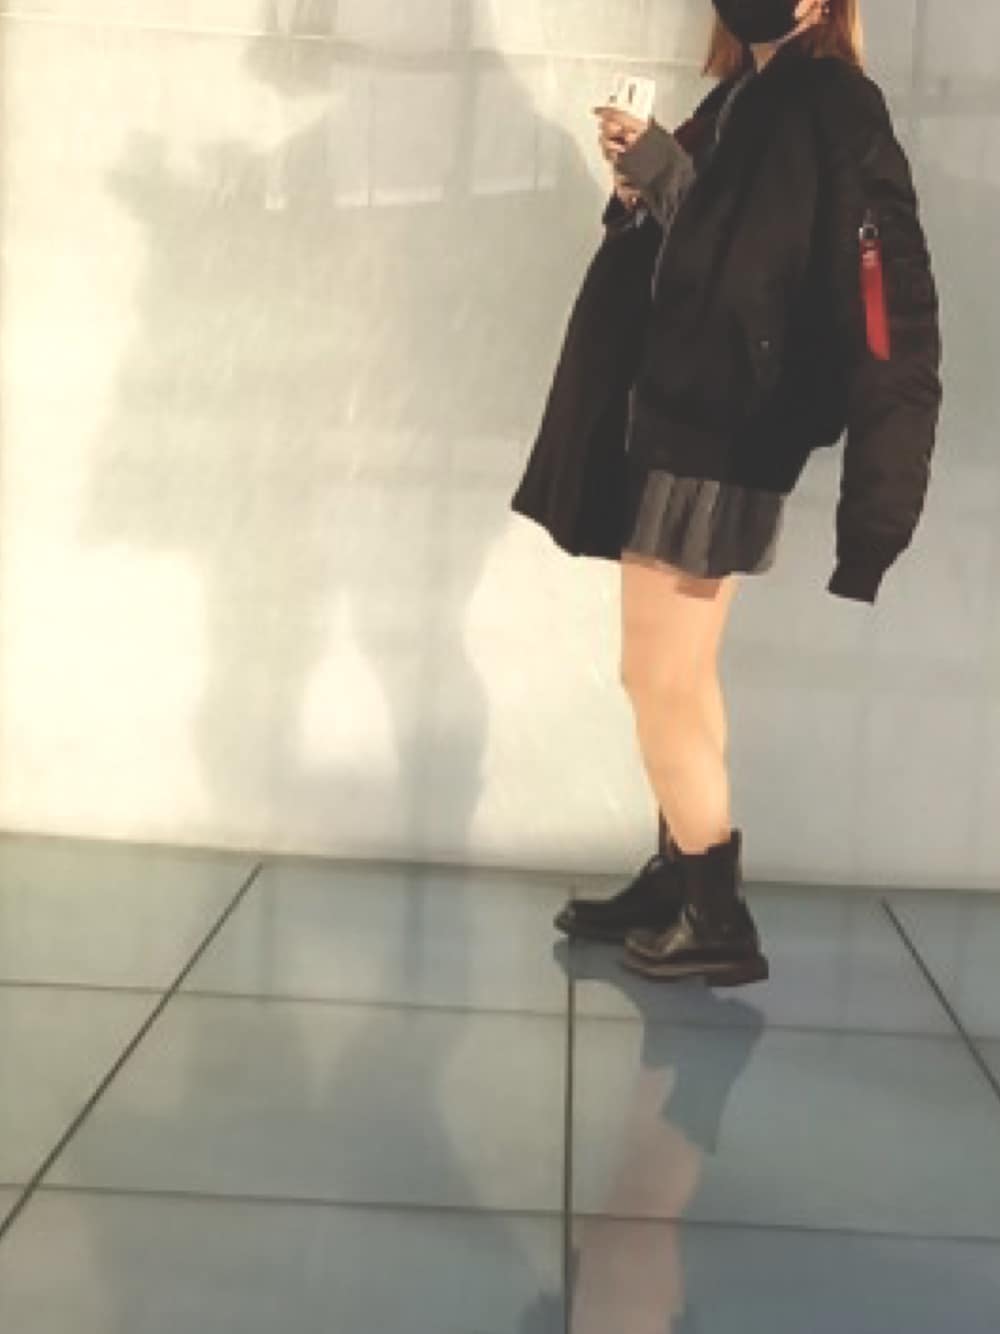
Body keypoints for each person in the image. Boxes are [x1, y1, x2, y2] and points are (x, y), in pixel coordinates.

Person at [510, 0, 943, 987]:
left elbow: (867, 290)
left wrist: (880, 502)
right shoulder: (749, 95)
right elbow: (718, 245)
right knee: (681, 674)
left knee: (656, 676)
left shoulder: (831, 103)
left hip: (721, 430)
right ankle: (681, 878)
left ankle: (714, 914)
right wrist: (646, 183)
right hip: (688, 415)